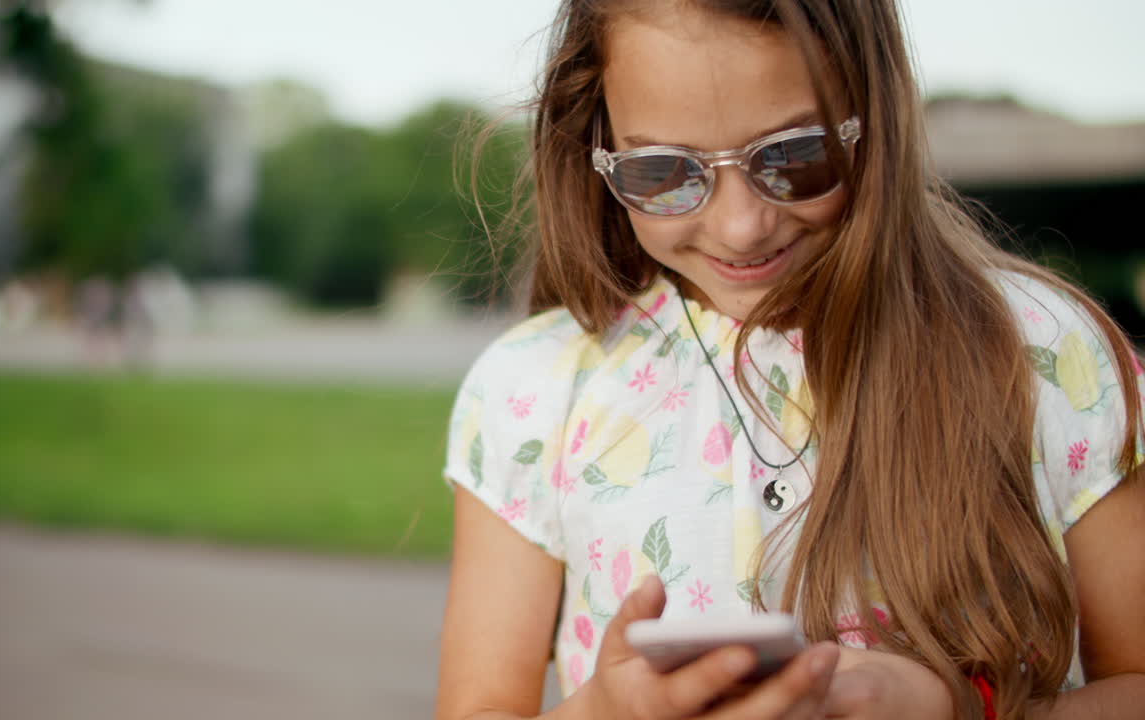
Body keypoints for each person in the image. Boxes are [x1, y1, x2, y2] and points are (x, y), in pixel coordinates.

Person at [435, 1, 1145, 719]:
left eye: (794, 157)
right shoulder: (533, 387)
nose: (741, 226)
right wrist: (602, 713)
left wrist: (957, 707)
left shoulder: (1041, 352)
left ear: (874, 114)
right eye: (663, 171)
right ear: (596, 143)